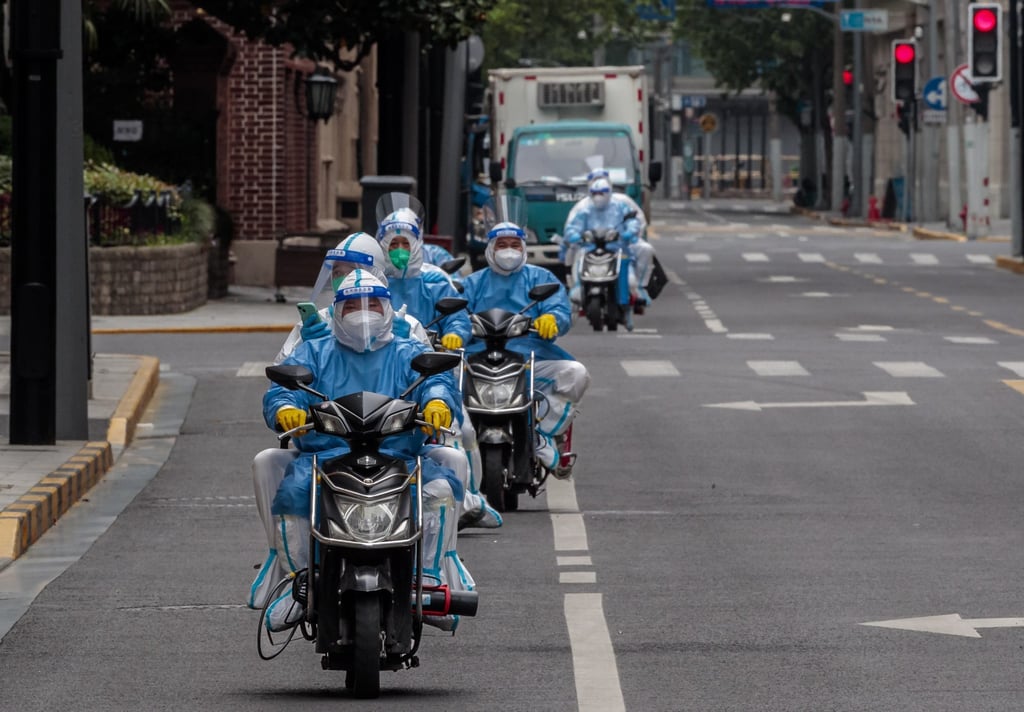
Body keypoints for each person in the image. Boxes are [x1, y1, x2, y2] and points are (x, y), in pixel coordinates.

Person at [255, 270, 474, 633]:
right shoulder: (314, 348)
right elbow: (283, 388)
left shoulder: (409, 348)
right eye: (352, 305)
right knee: (293, 493)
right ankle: (297, 584)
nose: (364, 313)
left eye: (372, 303)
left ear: (387, 307)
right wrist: (283, 408)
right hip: (327, 458)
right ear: (337, 310)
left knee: (439, 491)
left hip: (399, 457)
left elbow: (437, 379)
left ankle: (429, 579)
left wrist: (437, 401)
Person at [377, 211, 501, 530]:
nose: (399, 249)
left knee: (461, 430)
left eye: (406, 242)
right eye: (393, 243)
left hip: (431, 369)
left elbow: (457, 315)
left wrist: (454, 335)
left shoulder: (434, 279)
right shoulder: (373, 281)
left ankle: (471, 499)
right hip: (385, 370)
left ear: (418, 243)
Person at [461, 220, 590, 477]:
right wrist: (454, 332)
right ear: (489, 249)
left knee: (576, 374)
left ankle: (543, 433)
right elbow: (455, 313)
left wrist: (552, 319)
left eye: (514, 245)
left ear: (523, 248)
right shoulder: (472, 283)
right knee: (440, 384)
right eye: (501, 245)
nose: (508, 251)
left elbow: (558, 307)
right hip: (476, 361)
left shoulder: (541, 278)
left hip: (531, 361)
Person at [564, 176, 655, 312]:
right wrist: (575, 236)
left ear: (609, 192)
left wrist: (628, 233)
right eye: (595, 193)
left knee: (631, 280)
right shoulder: (585, 210)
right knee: (576, 257)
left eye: (602, 193)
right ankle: (577, 287)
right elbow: (572, 227)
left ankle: (639, 290)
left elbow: (633, 221)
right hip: (590, 249)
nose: (598, 197)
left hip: (617, 248)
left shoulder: (620, 206)